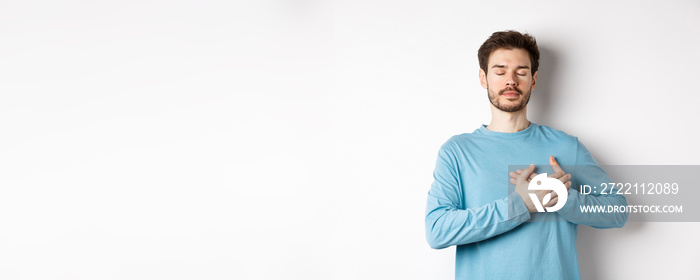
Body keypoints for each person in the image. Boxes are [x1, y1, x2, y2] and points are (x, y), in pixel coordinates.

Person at [424, 30, 628, 279]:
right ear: (483, 78)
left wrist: (566, 200)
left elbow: (617, 211)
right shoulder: (457, 151)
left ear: (533, 80)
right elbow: (437, 231)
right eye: (500, 72)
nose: (510, 80)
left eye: (521, 72)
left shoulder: (566, 147)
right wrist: (519, 205)